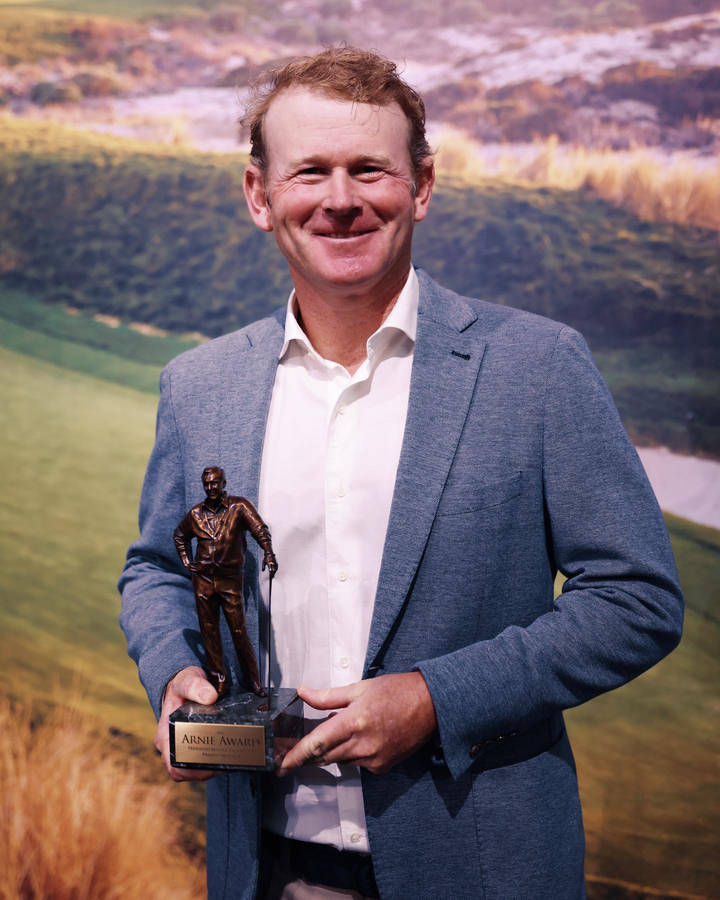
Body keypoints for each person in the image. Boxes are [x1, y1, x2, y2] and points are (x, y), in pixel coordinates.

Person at [119, 47, 683, 900]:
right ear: (259, 195)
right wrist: (175, 676)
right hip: (265, 871)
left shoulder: (539, 367)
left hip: (483, 871)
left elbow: (637, 599)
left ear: (420, 186)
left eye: (368, 170)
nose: (340, 199)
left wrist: (435, 698)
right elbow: (159, 570)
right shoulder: (200, 386)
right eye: (310, 170)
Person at [173, 466, 278, 697]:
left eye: (215, 483)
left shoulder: (239, 507)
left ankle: (253, 681)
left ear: (223, 483)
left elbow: (259, 529)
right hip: (202, 581)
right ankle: (220, 681)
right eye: (207, 484)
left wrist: (268, 552)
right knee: (209, 633)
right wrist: (186, 561)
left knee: (239, 631)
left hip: (229, 580)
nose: (211, 487)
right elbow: (180, 535)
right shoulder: (195, 514)